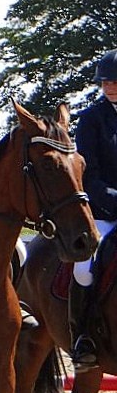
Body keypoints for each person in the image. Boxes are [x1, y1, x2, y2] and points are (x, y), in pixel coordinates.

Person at [69, 49, 117, 372]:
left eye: (115, 81)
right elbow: (89, 173)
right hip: (104, 210)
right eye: (106, 82)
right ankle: (83, 336)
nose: (110, 86)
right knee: (84, 267)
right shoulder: (91, 119)